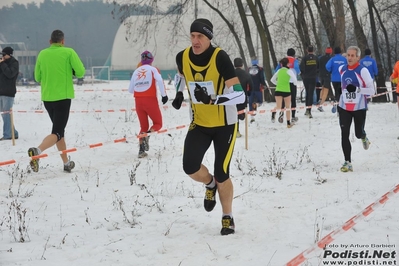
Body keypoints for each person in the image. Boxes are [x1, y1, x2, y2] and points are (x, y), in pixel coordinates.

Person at [172, 18, 246, 235]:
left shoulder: (220, 58)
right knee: (189, 166)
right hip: (200, 123)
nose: (195, 41)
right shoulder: (183, 56)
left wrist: (215, 100)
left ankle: (227, 217)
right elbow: (180, 75)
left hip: (225, 124)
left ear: (209, 38)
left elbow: (240, 95)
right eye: (192, 36)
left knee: (222, 173)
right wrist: (178, 93)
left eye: (200, 37)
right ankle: (210, 185)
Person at [28, 29, 85, 173]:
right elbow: (81, 72)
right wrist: (71, 71)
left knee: (59, 131)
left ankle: (66, 163)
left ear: (50, 41)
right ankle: (37, 151)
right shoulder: (68, 52)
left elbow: (37, 77)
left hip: (47, 98)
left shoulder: (42, 54)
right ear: (63, 41)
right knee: (58, 132)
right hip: (63, 98)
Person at [337, 46, 375, 172]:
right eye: (348, 55)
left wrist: (358, 89)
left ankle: (364, 137)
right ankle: (347, 162)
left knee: (358, 133)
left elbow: (372, 90)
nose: (350, 58)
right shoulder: (341, 69)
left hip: (359, 107)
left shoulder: (362, 70)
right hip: (344, 107)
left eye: (353, 56)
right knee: (344, 134)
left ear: (358, 57)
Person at [128, 50, 168, 158]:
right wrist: (164, 95)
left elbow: (130, 89)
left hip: (138, 100)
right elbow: (159, 80)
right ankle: (148, 135)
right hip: (150, 99)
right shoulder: (153, 69)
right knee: (158, 123)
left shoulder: (136, 71)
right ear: (151, 60)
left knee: (143, 126)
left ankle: (141, 151)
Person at [274, 48, 300, 123]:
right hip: (292, 82)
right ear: (294, 54)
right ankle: (293, 116)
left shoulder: (283, 60)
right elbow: (297, 68)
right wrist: (299, 73)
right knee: (293, 99)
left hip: (284, 82)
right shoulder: (295, 60)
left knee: (282, 99)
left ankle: (281, 114)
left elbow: (277, 69)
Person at [271, 57, 297, 128]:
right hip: (286, 91)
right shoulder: (289, 71)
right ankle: (288, 123)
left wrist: (278, 83)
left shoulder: (278, 71)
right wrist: (294, 84)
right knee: (288, 107)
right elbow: (294, 80)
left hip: (278, 90)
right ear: (288, 64)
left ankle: (273, 112)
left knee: (278, 106)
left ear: (281, 64)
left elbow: (272, 80)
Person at [0, 46, 19, 141]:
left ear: (9, 55)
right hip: (1, 92)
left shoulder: (14, 63)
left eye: (4, 55)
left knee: (7, 113)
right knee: (4, 114)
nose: (2, 56)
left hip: (8, 92)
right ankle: (13, 132)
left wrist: (3, 64)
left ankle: (7, 134)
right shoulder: (2, 63)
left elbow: (10, 74)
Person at [233, 57, 252, 137]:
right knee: (240, 113)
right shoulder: (246, 74)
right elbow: (251, 85)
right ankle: (241, 116)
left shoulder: (231, 73)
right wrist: (248, 93)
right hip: (242, 96)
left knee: (234, 114)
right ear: (242, 64)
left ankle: (236, 131)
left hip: (232, 97)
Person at [299, 45, 319, 118]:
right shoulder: (316, 58)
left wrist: (303, 75)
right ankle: (308, 110)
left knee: (308, 93)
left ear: (307, 50)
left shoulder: (304, 58)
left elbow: (302, 68)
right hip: (313, 77)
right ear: (313, 50)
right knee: (310, 93)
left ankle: (307, 109)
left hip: (306, 78)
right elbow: (318, 68)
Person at [326, 47, 346, 113]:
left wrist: (331, 71)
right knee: (342, 93)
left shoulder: (332, 59)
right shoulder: (344, 59)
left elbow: (327, 66)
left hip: (334, 79)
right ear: (340, 52)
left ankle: (338, 107)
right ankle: (342, 108)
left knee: (337, 93)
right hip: (342, 79)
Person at [248, 57, 267, 123]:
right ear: (257, 61)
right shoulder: (260, 69)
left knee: (250, 103)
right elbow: (262, 77)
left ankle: (252, 117)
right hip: (258, 88)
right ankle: (256, 104)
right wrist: (264, 84)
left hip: (250, 89)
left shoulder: (249, 69)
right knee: (260, 101)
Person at [317, 47, 333, 112]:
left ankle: (320, 99)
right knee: (326, 90)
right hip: (327, 75)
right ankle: (321, 105)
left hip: (321, 75)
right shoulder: (331, 59)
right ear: (331, 52)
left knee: (322, 88)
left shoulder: (321, 58)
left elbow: (318, 66)